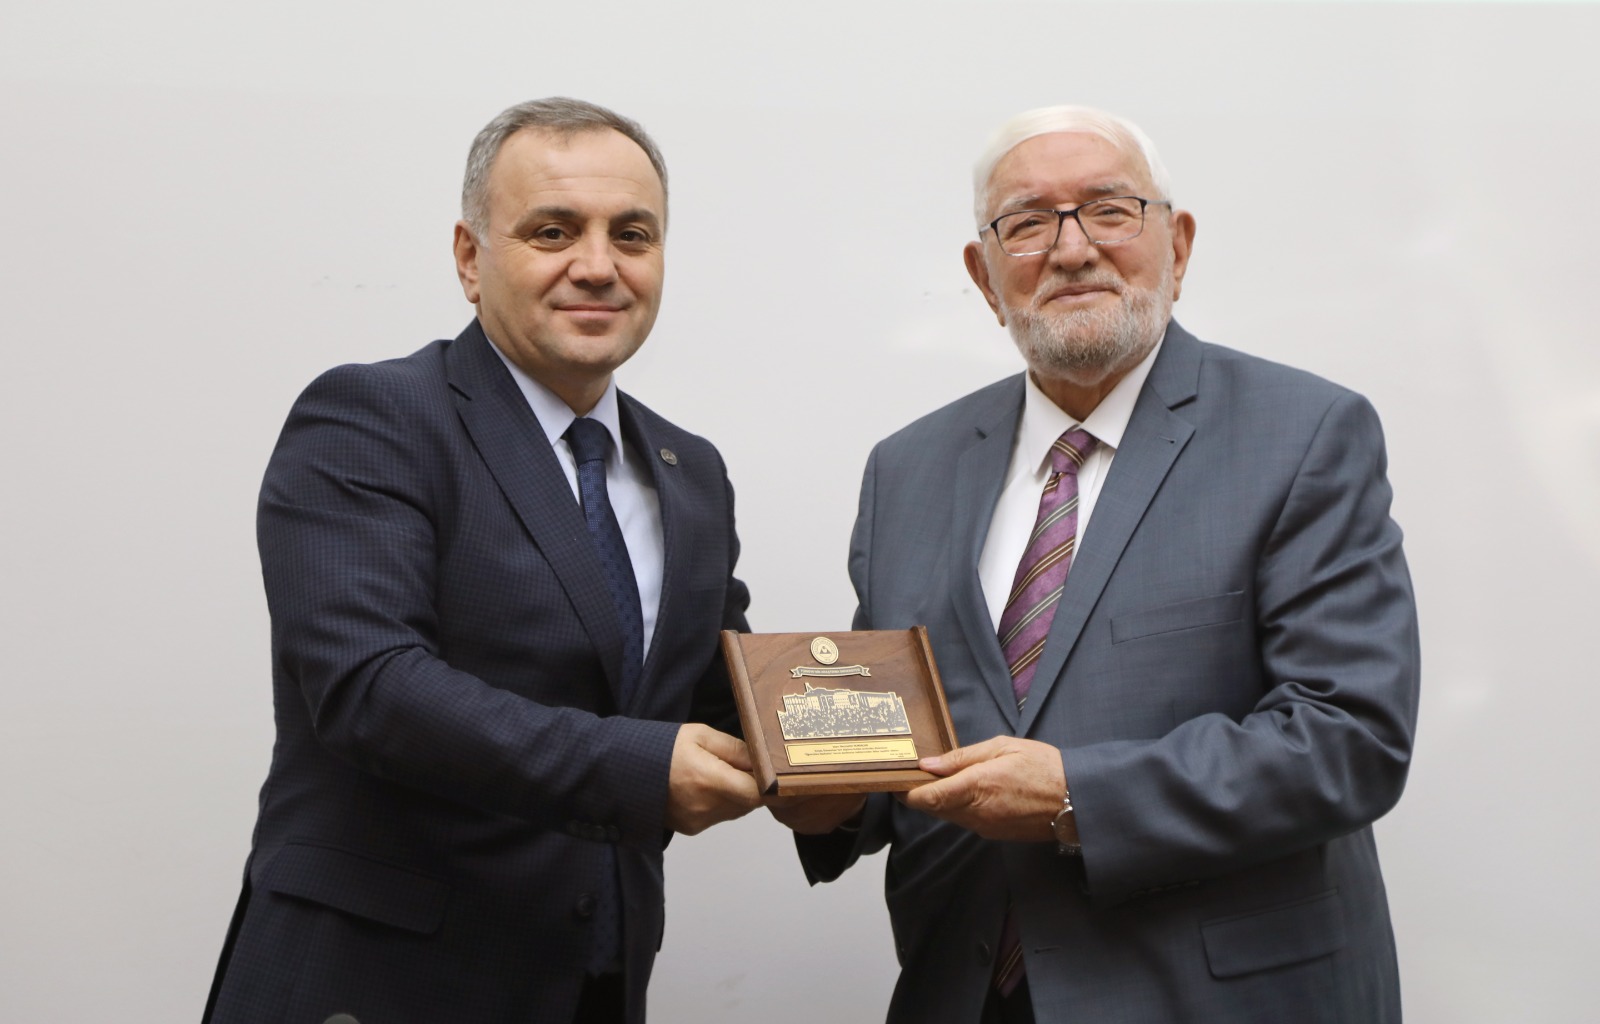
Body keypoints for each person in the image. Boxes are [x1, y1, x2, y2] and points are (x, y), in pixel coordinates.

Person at [773, 105, 1420, 1023]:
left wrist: (1076, 796)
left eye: (1110, 211)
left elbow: (1349, 738)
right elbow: (898, 741)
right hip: (963, 993)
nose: (1072, 250)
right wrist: (829, 800)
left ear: (1177, 246)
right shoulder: (905, 470)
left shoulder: (1305, 433)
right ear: (985, 275)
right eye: (1028, 223)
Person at [203, 97, 762, 1024]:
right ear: (470, 259)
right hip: (380, 984)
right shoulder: (374, 418)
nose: (598, 265)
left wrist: (843, 779)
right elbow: (371, 688)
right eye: (553, 231)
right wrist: (637, 768)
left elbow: (718, 692)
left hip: (591, 983)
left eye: (632, 234)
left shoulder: (688, 470)